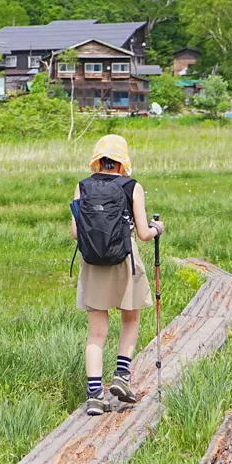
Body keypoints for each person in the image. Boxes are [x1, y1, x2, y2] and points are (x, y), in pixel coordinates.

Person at [69, 133, 163, 416]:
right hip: (125, 260)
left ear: (97, 160)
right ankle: (121, 376)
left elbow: (76, 233)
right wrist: (159, 228)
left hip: (93, 263)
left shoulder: (82, 187)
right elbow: (144, 234)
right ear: (122, 162)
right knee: (130, 319)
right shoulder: (132, 187)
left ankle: (95, 395)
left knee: (96, 333)